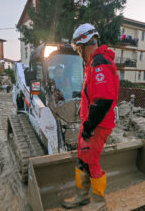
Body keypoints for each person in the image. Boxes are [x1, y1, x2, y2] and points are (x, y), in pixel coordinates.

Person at [62, 23, 119, 209]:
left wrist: (88, 127)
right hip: (91, 122)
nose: (79, 52)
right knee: (82, 157)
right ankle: (83, 197)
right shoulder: (94, 63)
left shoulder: (100, 63)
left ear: (85, 44)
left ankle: (99, 203)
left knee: (91, 161)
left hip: (98, 124)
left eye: (78, 48)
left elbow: (103, 100)